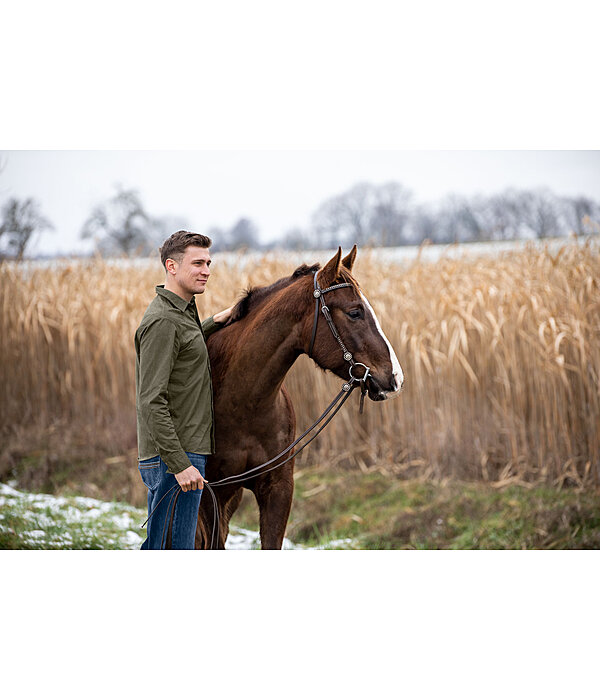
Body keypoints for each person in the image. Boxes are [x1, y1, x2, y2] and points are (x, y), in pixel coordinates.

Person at [135, 230, 233, 549]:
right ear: (172, 267)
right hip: (173, 456)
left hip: (184, 451)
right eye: (197, 263)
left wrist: (214, 323)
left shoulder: (183, 311)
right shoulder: (163, 321)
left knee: (171, 547)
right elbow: (151, 401)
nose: (206, 270)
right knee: (170, 550)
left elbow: (184, 347)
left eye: (208, 262)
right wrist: (180, 464)